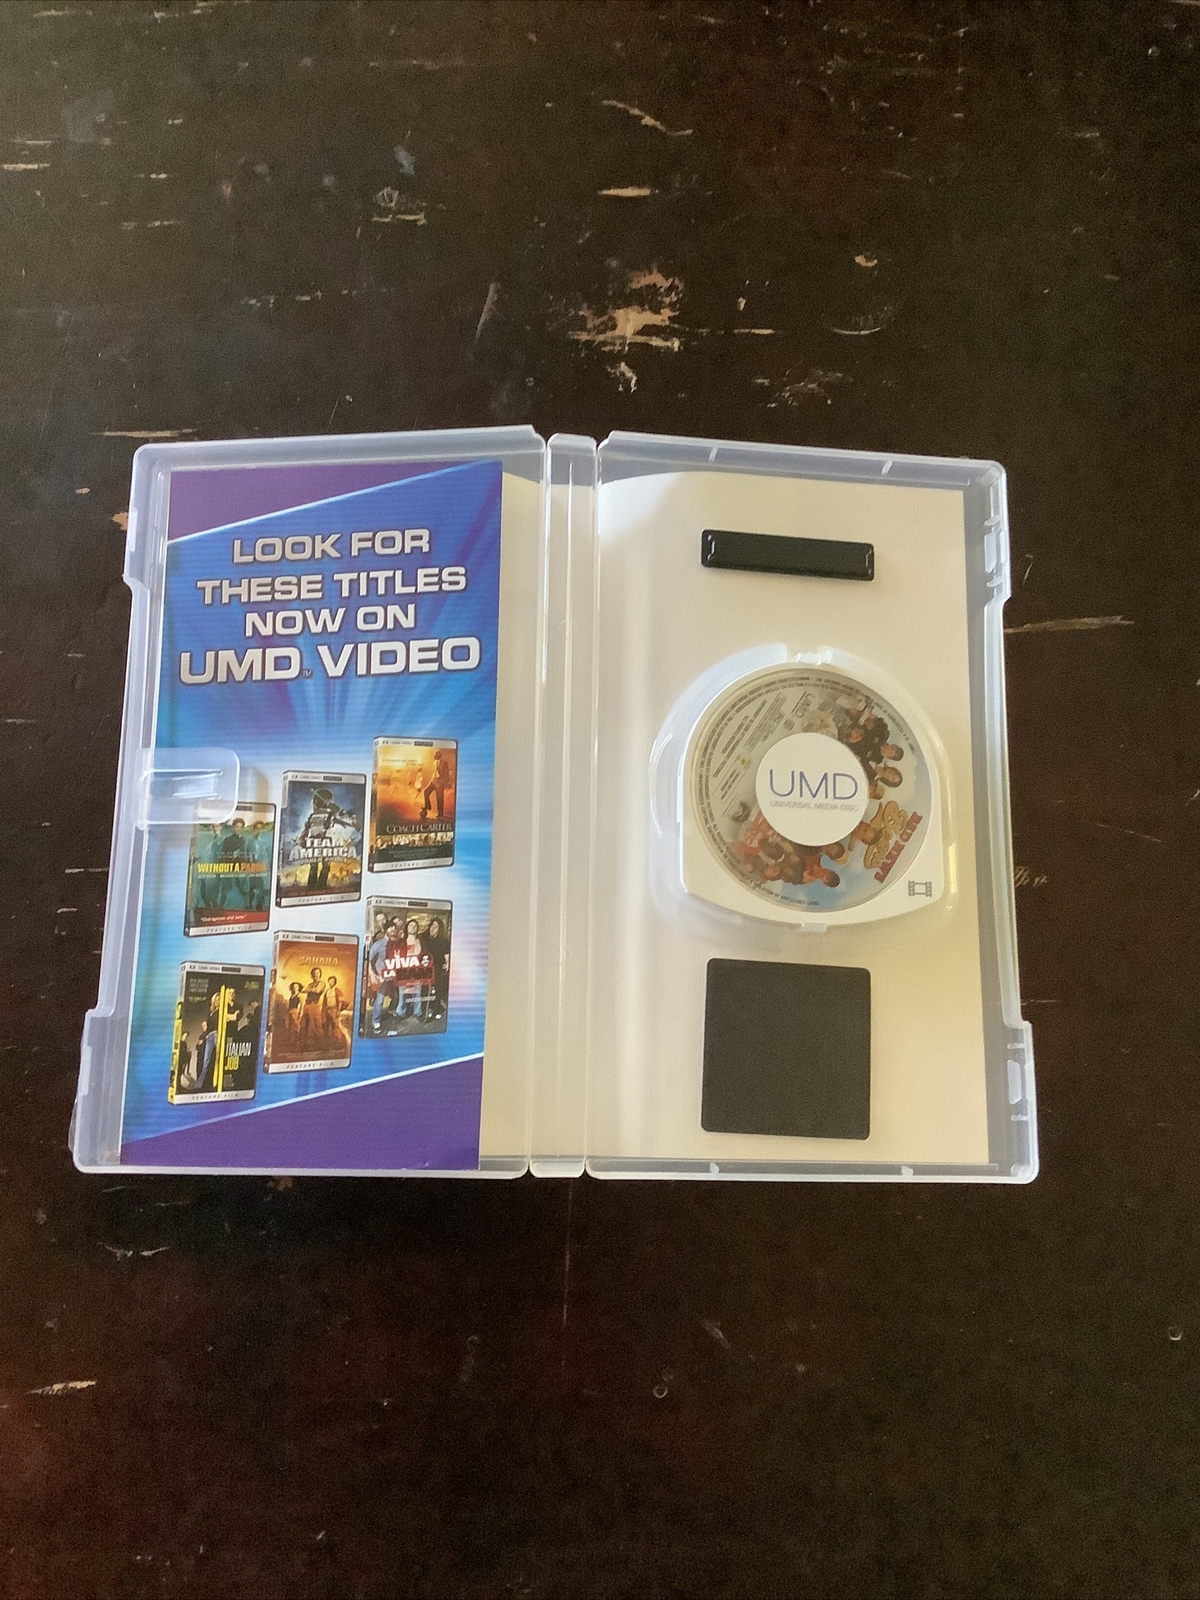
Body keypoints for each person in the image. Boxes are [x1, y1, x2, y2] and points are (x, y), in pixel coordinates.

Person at [424, 916, 449, 1020]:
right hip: (426, 970)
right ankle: (428, 1009)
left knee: (437, 990)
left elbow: (447, 955)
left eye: (436, 926)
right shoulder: (425, 939)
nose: (433, 928)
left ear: (439, 929)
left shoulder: (443, 941)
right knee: (427, 990)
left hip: (438, 969)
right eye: (432, 926)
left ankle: (437, 1009)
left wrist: (448, 963)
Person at [420, 751, 452, 820]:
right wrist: (431, 780)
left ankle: (440, 814)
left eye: (435, 755)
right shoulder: (434, 762)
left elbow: (446, 774)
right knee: (426, 792)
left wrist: (442, 782)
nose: (434, 756)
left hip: (440, 782)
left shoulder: (444, 762)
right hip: (433, 781)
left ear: (439, 755)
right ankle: (428, 806)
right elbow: (434, 772)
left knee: (439, 798)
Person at [300, 967, 326, 1049]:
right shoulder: (310, 984)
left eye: (317, 973)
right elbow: (302, 990)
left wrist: (308, 989)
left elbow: (317, 990)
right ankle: (302, 1045)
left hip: (314, 1005)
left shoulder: (322, 983)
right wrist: (310, 989)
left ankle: (322, 1045)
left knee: (317, 1025)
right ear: (311, 975)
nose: (316, 975)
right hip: (307, 1005)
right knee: (303, 1025)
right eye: (314, 973)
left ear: (320, 974)